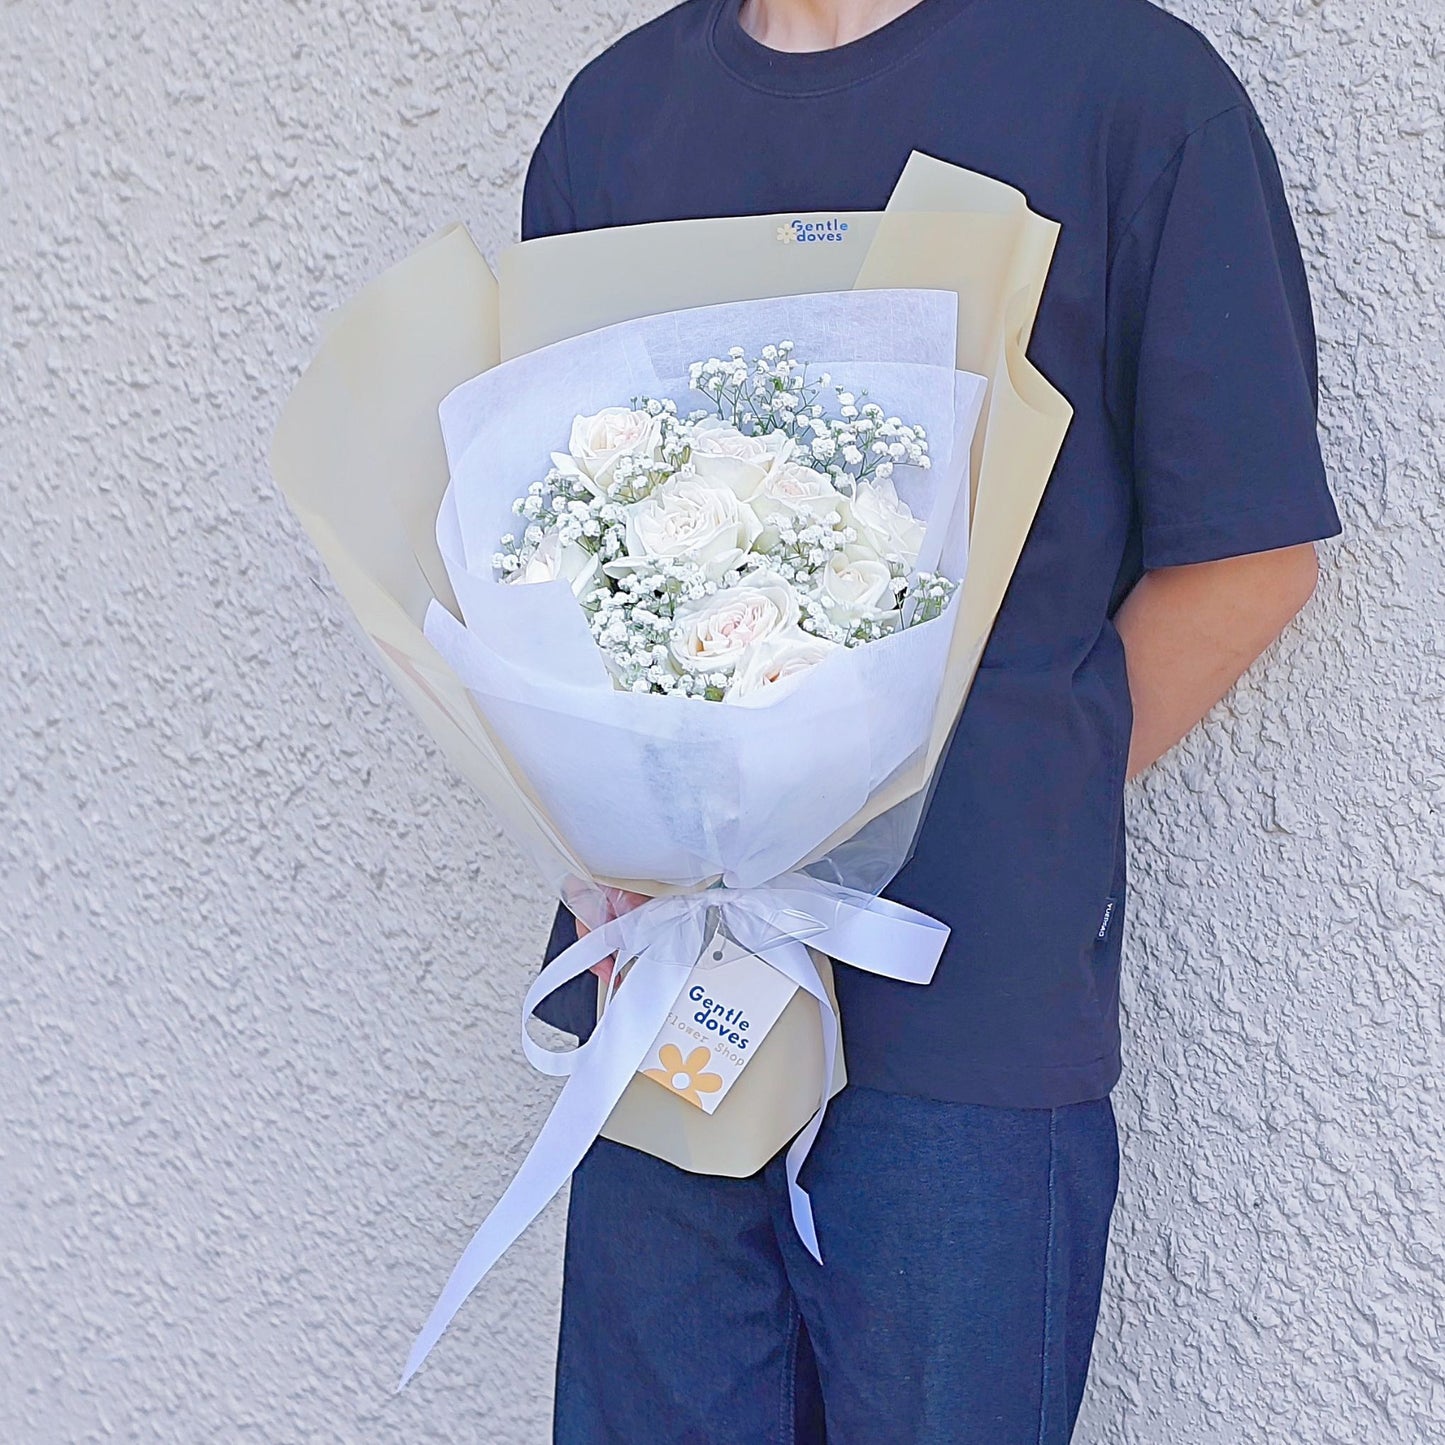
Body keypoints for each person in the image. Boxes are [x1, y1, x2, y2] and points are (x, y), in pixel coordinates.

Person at [519, 1, 1342, 1439]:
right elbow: (552, 538)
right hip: (660, 989)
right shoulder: (612, 121)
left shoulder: (1125, 91)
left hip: (965, 1003)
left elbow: (1247, 553)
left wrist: (966, 796)